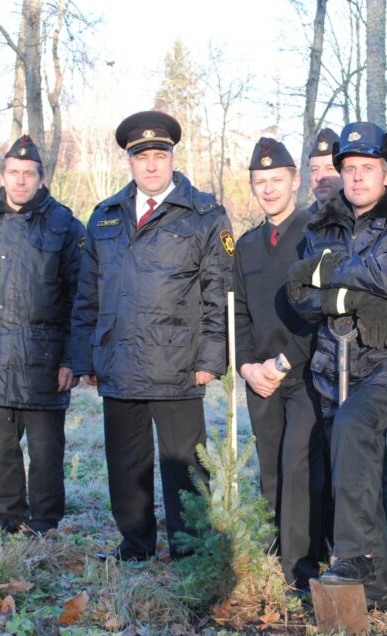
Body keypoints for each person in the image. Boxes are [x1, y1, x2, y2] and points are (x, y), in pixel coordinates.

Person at [288, 122, 387, 608]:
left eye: (366, 169)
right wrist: (354, 296)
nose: (356, 178)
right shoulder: (320, 225)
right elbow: (301, 295)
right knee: (357, 459)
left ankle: (352, 558)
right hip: (335, 362)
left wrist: (331, 275)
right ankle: (379, 590)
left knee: (355, 428)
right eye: (349, 169)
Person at [71, 111, 232, 562]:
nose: (152, 166)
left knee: (184, 467)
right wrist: (85, 358)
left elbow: (219, 293)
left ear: (172, 158)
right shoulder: (104, 217)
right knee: (126, 466)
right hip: (118, 362)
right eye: (142, 158)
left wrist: (211, 359)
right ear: (130, 162)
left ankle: (190, 549)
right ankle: (135, 544)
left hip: (179, 366)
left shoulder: (202, 215)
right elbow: (88, 295)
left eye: (160, 156)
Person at [0, 135, 84, 535]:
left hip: (44, 363)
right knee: (2, 451)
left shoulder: (64, 225)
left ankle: (45, 526)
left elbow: (79, 297)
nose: (21, 180)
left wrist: (70, 359)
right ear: (2, 175)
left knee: (46, 453)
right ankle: (10, 521)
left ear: (41, 178)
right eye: (14, 172)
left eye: (29, 174)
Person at [233, 137, 325, 590]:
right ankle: (276, 555)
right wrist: (247, 366)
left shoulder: (314, 235)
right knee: (271, 466)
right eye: (260, 182)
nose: (268, 189)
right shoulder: (247, 245)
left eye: (276, 180)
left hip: (303, 373)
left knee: (299, 466)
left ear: (295, 181)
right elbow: (238, 312)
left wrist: (285, 362)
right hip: (260, 378)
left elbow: (322, 311)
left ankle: (303, 569)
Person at [306, 127, 342, 214]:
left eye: (329, 168)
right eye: (314, 169)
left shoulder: (361, 223)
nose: (319, 177)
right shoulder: (300, 224)